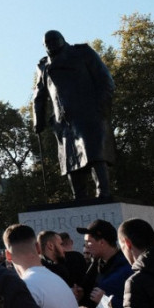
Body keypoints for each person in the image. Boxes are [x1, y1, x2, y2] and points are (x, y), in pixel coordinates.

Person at [32, 30, 116, 200]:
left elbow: (105, 79)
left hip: (88, 112)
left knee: (94, 154)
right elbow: (39, 96)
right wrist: (38, 120)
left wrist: (100, 106)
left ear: (63, 40)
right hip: (63, 120)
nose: (51, 44)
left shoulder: (82, 53)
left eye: (55, 40)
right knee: (70, 162)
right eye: (47, 42)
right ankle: (79, 197)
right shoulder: (43, 66)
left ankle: (103, 192)